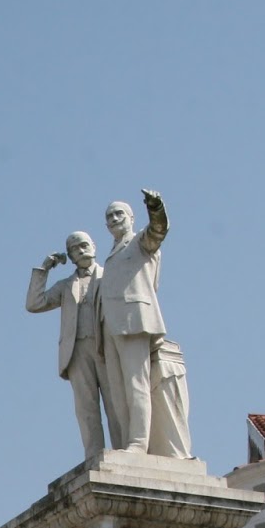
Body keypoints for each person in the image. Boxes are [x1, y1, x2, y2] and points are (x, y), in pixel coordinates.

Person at [97, 189, 191, 458]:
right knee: (117, 390)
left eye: (119, 214)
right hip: (110, 325)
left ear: (131, 218)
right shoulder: (112, 253)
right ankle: (125, 441)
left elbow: (158, 231)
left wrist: (156, 207)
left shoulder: (140, 242)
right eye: (109, 216)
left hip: (135, 320)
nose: (114, 219)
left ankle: (138, 442)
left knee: (136, 384)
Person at [26, 231, 122, 459]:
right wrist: (44, 269)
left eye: (84, 245)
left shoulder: (110, 275)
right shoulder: (66, 285)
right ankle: (93, 454)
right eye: (74, 249)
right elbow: (34, 303)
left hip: (106, 346)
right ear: (69, 257)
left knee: (116, 402)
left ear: (94, 246)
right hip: (77, 350)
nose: (81, 250)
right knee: (86, 407)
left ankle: (123, 449)